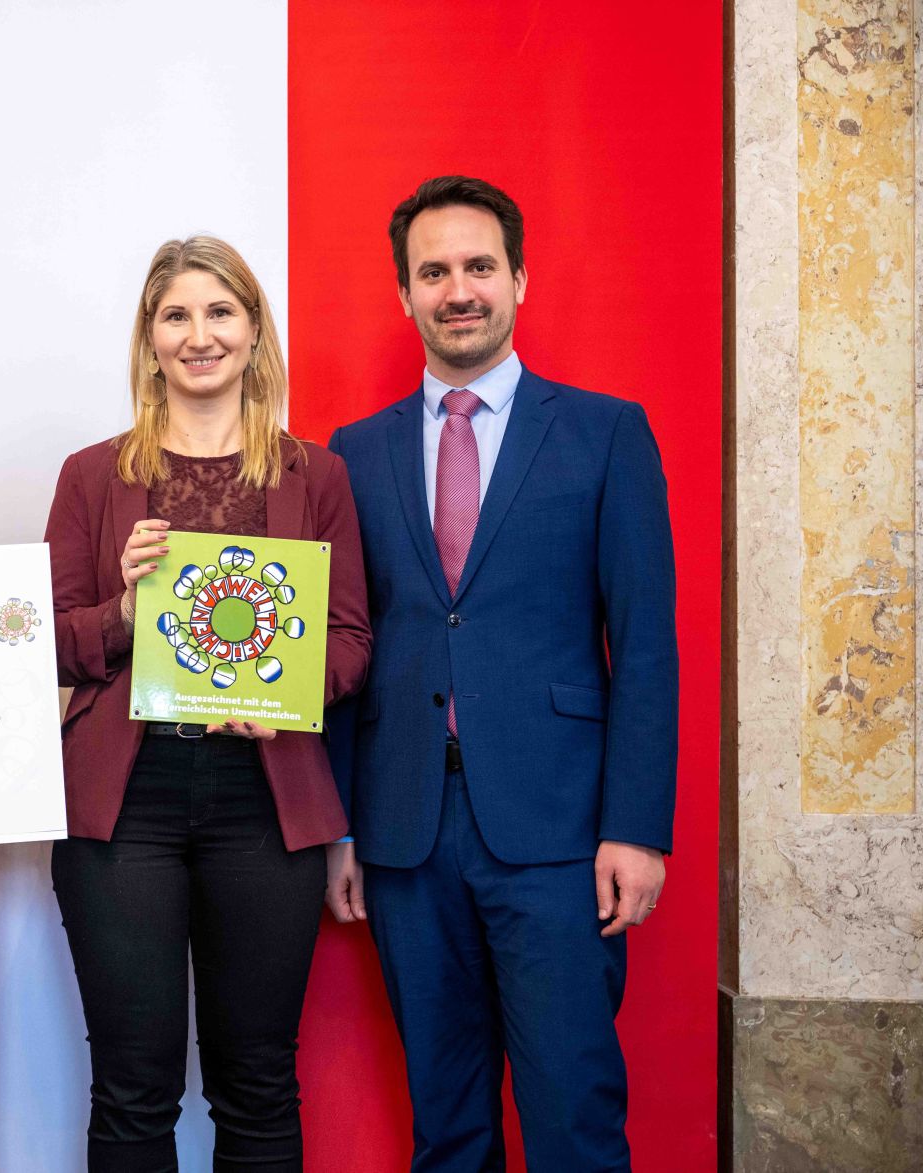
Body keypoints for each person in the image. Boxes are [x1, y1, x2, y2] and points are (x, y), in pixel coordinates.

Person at [326, 175, 678, 1171]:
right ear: (403, 295)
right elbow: (345, 645)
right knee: (444, 1120)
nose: (457, 289)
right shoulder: (352, 455)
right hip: (401, 836)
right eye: (432, 272)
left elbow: (644, 644)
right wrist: (342, 824)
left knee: (571, 1112)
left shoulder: (605, 433)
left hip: (561, 836)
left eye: (477, 266)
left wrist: (633, 829)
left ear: (517, 279)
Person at [45, 236, 371, 1171]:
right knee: (133, 1086)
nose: (200, 335)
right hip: (123, 804)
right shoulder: (90, 475)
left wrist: (285, 695)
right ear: (149, 340)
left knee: (259, 1081)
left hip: (265, 803)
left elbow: (350, 642)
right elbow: (48, 644)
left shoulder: (318, 475)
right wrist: (127, 610)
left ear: (254, 330)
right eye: (177, 315)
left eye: (220, 312)